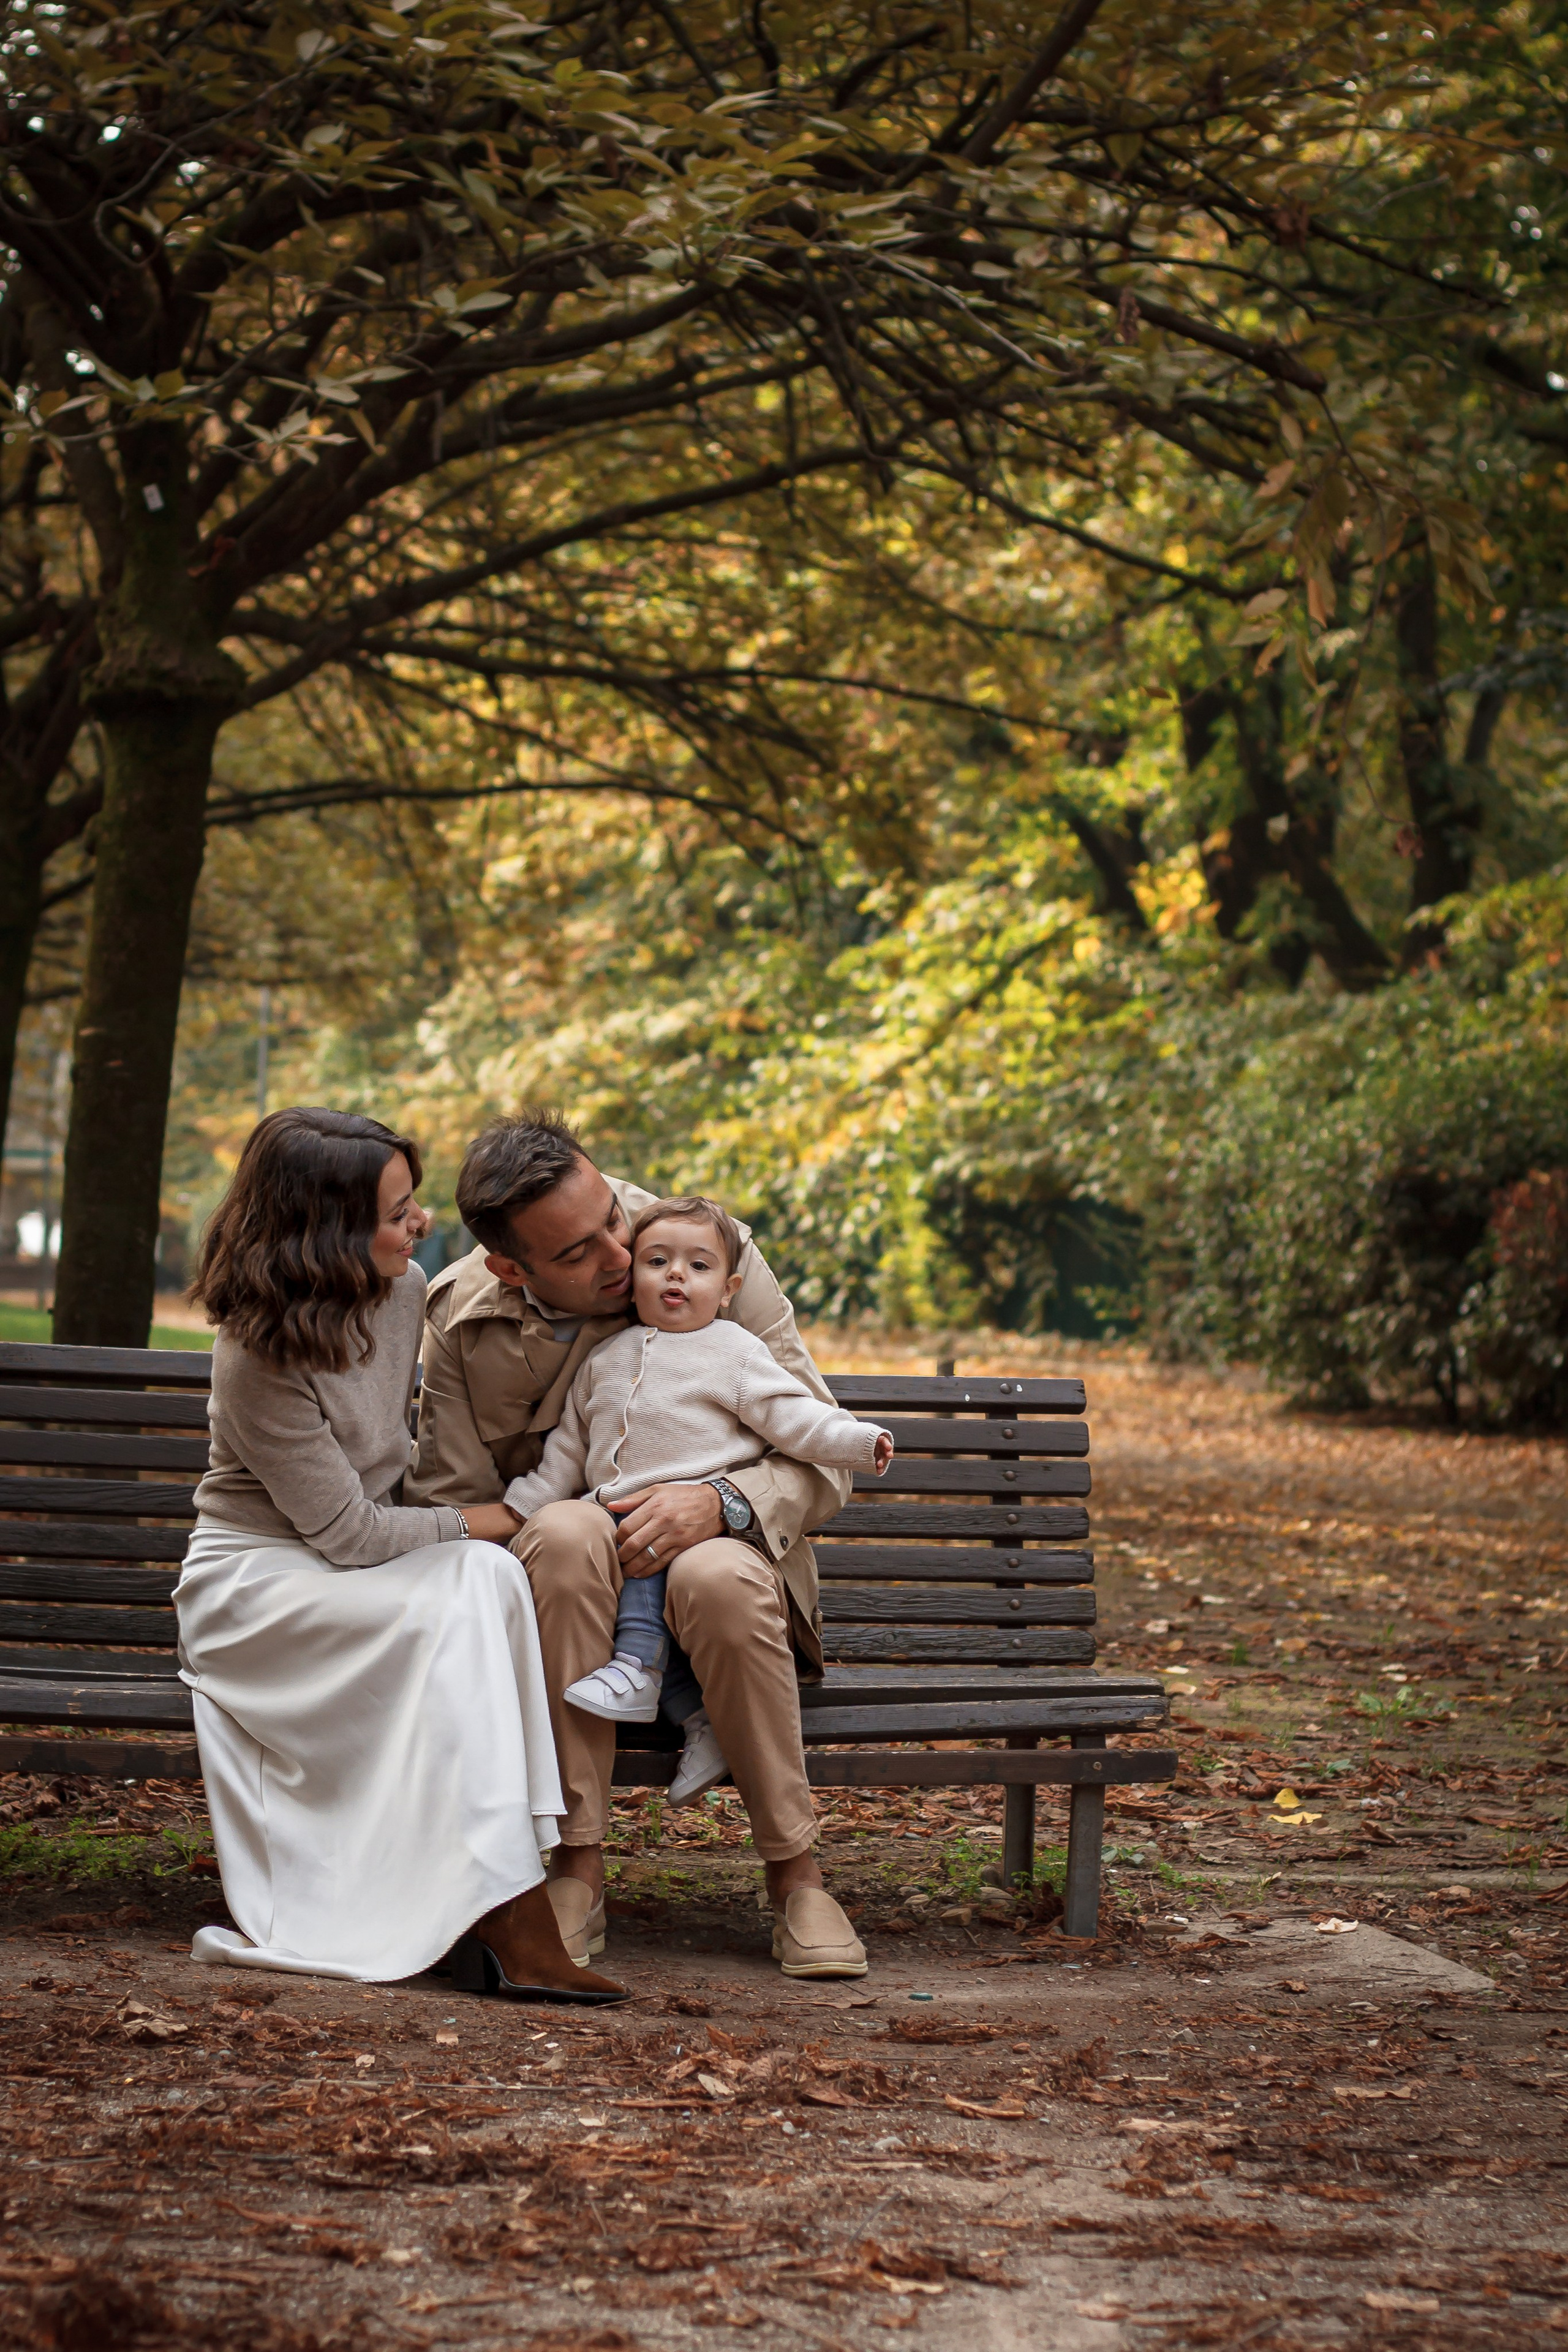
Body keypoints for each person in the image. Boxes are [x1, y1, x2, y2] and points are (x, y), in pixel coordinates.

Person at [174, 1106, 625, 2003]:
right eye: (395, 1212)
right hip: (260, 1584)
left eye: (411, 1202)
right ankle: (506, 1909)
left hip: (355, 1565)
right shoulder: (254, 1355)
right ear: (327, 1233)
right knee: (478, 1574)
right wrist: (509, 1515)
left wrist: (494, 1532)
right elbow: (348, 1534)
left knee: (488, 1580)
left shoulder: (405, 1292)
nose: (419, 1224)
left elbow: (392, 1499)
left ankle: (505, 1887)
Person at [405, 1110, 869, 1980]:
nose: (623, 1260)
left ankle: (797, 1874)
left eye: (611, 1218)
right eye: (577, 1254)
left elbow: (821, 1454)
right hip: (564, 1598)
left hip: (723, 1577)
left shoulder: (705, 1246)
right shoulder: (463, 1316)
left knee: (717, 1571)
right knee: (569, 1529)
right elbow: (456, 1501)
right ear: (513, 1267)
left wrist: (723, 1500)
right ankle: (575, 1867)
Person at [502, 1196, 894, 1815]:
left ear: (730, 1288)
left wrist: (857, 1440)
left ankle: (636, 1664)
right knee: (590, 1538)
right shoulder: (603, 1361)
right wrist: (522, 1511)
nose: (676, 1275)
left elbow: (793, 1419)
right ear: (633, 1280)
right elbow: (565, 1454)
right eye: (658, 1261)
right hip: (614, 1521)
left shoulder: (734, 1352)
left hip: (702, 1529)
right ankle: (698, 1725)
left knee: (667, 1557)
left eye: (698, 1266)